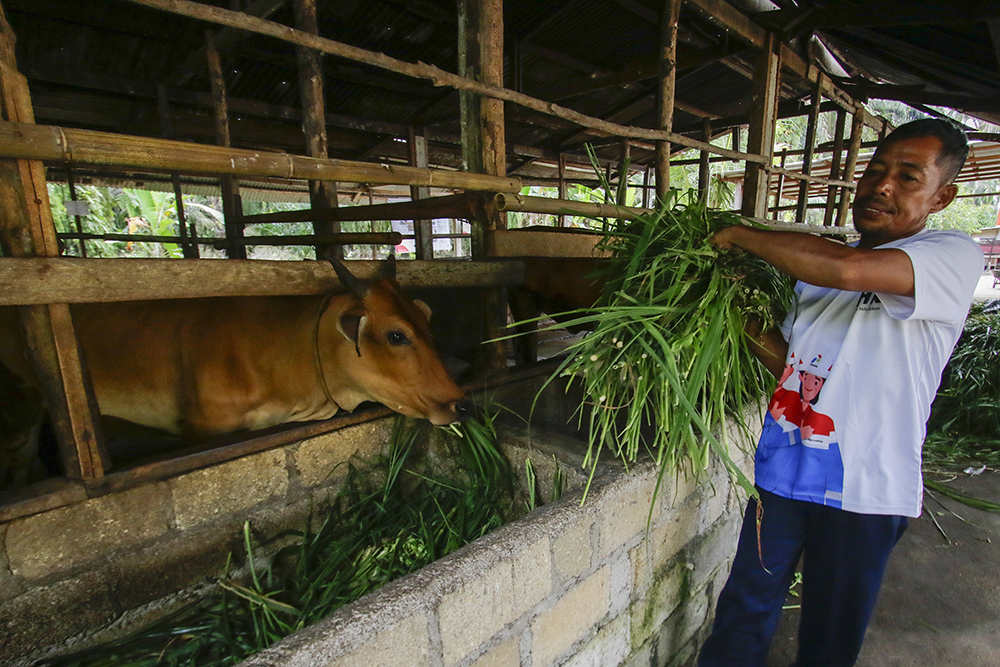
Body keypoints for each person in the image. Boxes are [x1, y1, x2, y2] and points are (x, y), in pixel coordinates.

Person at [697, 117, 983, 667]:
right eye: (875, 171)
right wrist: (729, 312)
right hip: (783, 471)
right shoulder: (814, 274)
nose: (882, 186)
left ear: (941, 197)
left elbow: (850, 270)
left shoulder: (949, 255)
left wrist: (737, 234)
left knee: (829, 637)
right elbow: (794, 363)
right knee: (744, 608)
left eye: (907, 177)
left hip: (865, 488)